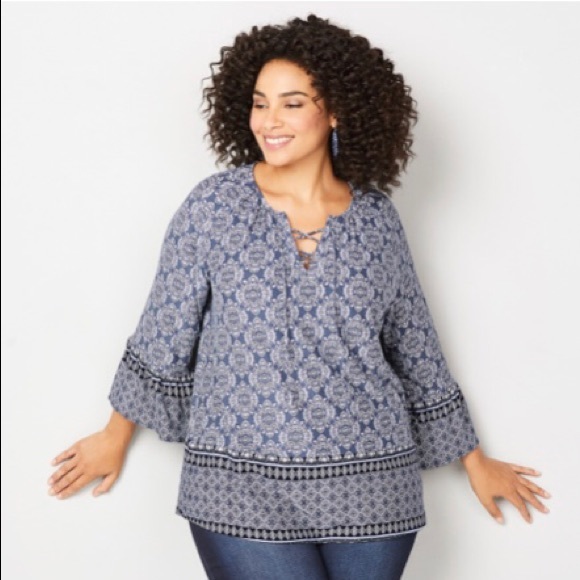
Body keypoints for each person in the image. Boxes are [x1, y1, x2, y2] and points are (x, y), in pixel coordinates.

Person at [48, 14, 550, 580]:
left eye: (292, 103)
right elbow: (166, 328)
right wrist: (114, 436)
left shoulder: (377, 219)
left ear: (336, 111)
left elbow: (414, 346)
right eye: (260, 103)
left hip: (373, 482)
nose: (269, 120)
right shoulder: (214, 207)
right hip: (237, 481)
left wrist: (474, 460)